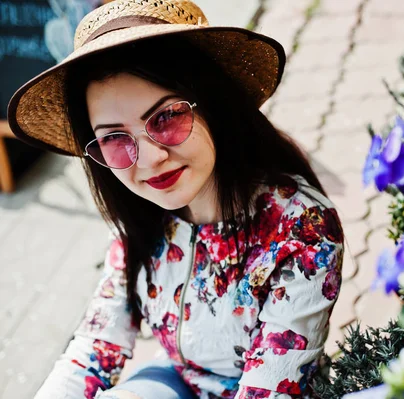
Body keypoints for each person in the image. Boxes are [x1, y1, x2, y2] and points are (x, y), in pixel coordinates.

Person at [7, 1, 345, 398]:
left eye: (166, 117)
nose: (150, 159)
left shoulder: (301, 229)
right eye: (114, 138)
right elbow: (94, 347)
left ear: (214, 103)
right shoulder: (143, 218)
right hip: (176, 381)